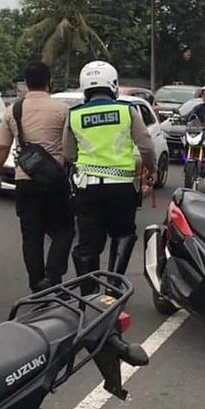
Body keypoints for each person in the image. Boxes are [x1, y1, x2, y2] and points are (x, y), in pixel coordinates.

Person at [63, 61, 157, 292]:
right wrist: (151, 170)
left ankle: (89, 293)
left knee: (88, 244)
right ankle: (113, 287)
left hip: (88, 188)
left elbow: (68, 153)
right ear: (113, 84)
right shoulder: (127, 111)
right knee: (123, 234)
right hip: (122, 188)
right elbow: (146, 145)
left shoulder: (74, 115)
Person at [0, 62, 74, 292]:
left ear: (26, 82)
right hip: (55, 180)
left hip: (25, 181)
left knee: (32, 235)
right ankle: (53, 277)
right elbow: (69, 149)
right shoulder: (62, 109)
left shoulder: (13, 110)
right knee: (64, 230)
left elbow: (3, 148)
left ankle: (37, 286)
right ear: (49, 81)